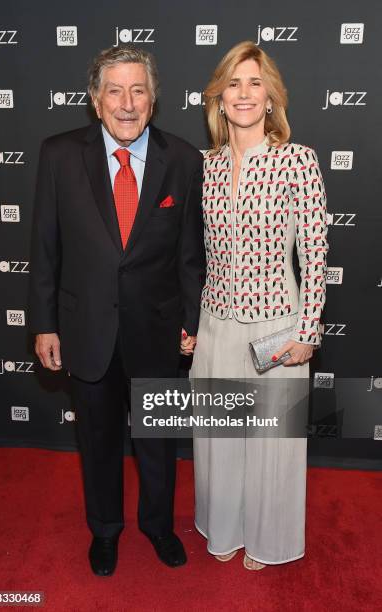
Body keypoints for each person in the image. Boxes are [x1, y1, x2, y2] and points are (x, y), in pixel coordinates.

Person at [29, 45, 204, 576]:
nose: (126, 103)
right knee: (99, 441)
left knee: (157, 440)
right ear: (95, 99)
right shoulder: (59, 155)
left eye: (138, 90)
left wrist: (190, 321)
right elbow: (44, 247)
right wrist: (44, 325)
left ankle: (157, 525)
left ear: (153, 99)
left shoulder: (183, 159)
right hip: (87, 328)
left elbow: (190, 255)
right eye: (114, 90)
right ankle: (104, 530)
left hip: (157, 328)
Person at [190, 41, 328, 570]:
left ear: (270, 96)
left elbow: (315, 251)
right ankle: (225, 527)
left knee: (273, 442)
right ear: (219, 99)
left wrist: (307, 330)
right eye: (233, 83)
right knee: (221, 436)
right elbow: (189, 255)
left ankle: (269, 538)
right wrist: (189, 323)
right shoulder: (202, 166)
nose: (243, 93)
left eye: (254, 82)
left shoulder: (298, 160)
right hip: (216, 323)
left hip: (277, 326)